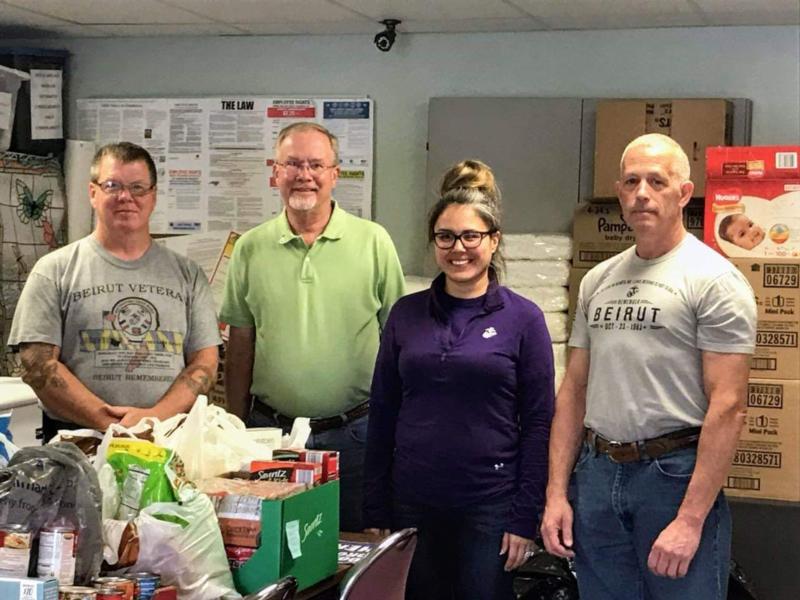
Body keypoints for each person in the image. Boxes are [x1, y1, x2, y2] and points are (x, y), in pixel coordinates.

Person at [541, 134, 757, 600]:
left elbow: (729, 405)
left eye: (657, 181)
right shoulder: (598, 281)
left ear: (684, 193)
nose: (642, 193)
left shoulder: (714, 280)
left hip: (673, 478)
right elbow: (574, 391)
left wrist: (691, 519)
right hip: (597, 475)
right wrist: (557, 493)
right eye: (631, 181)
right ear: (619, 192)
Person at [363, 160, 555, 600]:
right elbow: (383, 411)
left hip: (490, 506)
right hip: (412, 502)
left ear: (494, 240)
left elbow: (539, 423)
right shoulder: (406, 315)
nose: (458, 248)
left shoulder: (524, 319)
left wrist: (525, 516)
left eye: (471, 236)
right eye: (446, 237)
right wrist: (375, 506)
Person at [219, 122, 405, 532]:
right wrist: (236, 428)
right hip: (271, 436)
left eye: (316, 165)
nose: (304, 175)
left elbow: (399, 342)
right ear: (276, 172)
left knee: (356, 549)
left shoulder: (374, 242)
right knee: (273, 548)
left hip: (357, 437)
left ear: (335, 173)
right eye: (293, 164)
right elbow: (240, 345)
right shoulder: (250, 248)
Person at [9, 142, 221, 442]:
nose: (126, 197)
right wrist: (109, 423)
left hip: (167, 440)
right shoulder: (54, 270)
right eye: (113, 186)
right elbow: (37, 364)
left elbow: (204, 364)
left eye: (138, 188)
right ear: (93, 193)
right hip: (78, 442)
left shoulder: (188, 275)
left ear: (153, 196)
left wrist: (153, 418)